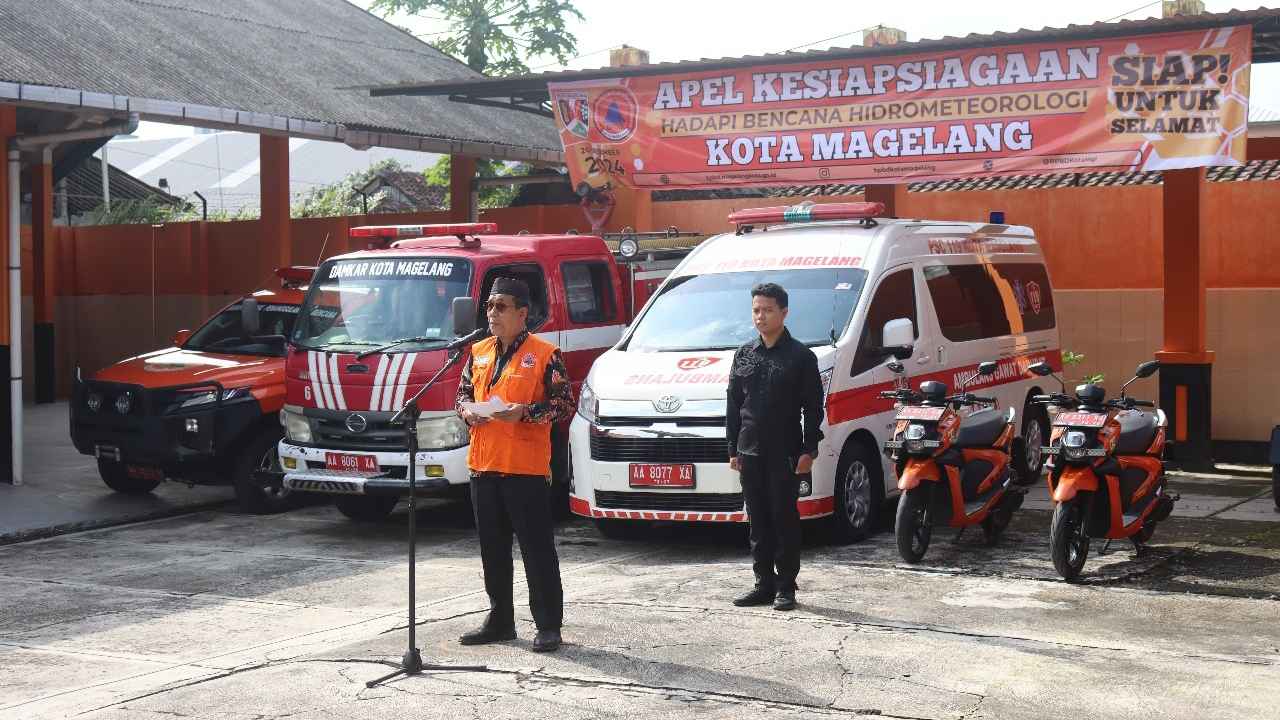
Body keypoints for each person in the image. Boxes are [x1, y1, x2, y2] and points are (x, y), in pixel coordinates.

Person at [455, 277, 574, 652]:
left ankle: (548, 625)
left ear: (523, 313)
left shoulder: (545, 353)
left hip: (524, 470)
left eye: (501, 306)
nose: (492, 313)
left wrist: (524, 412)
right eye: (490, 306)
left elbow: (564, 404)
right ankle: (500, 619)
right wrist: (467, 413)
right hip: (484, 466)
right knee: (492, 549)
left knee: (536, 551)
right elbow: (462, 395)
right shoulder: (477, 352)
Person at [726, 282, 824, 611]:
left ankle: (786, 587)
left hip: (785, 451)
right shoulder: (743, 354)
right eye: (756, 310)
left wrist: (809, 449)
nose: (760, 316)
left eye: (767, 310)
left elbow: (813, 407)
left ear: (784, 312)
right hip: (749, 450)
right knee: (757, 521)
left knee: (784, 519)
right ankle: (763, 583)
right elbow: (734, 403)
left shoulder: (801, 357)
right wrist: (732, 447)